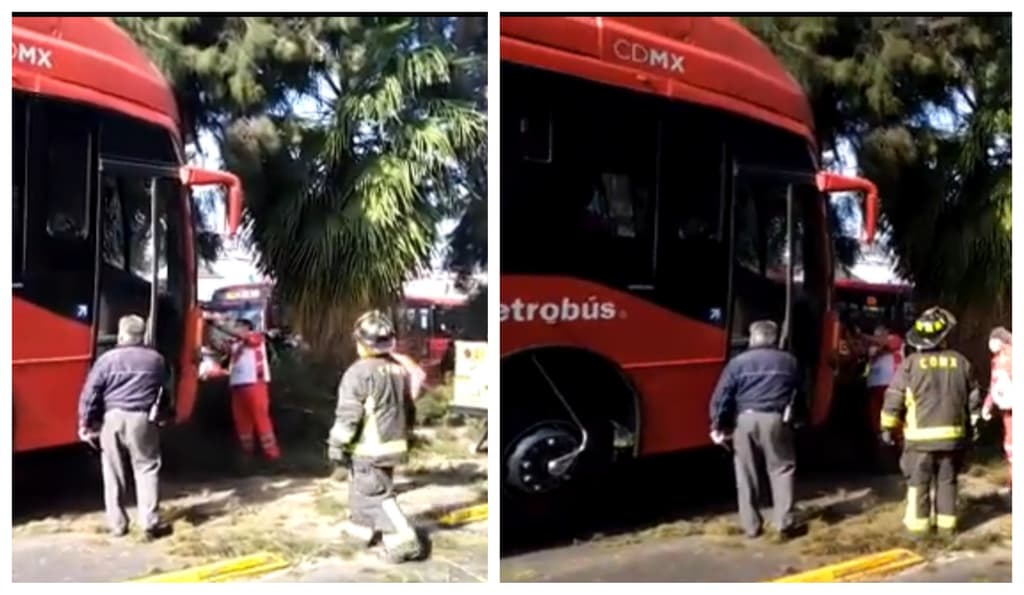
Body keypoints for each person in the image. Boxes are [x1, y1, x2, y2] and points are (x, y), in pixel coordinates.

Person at [327, 310, 424, 563]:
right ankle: (360, 530)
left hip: (369, 447)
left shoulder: (358, 373)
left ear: (360, 343)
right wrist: (408, 436)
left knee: (375, 494)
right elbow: (409, 408)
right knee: (362, 490)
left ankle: (404, 540)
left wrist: (337, 445)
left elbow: (349, 415)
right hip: (393, 444)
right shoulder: (397, 370)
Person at [880, 306, 981, 536]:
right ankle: (947, 529)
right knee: (947, 482)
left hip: (920, 440)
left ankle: (919, 532)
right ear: (943, 337)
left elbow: (894, 398)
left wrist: (887, 427)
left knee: (919, 484)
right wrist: (974, 424)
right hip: (953, 438)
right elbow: (973, 396)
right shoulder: (961, 362)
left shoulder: (910, 364)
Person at [77, 314, 170, 539]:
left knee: (112, 470)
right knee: (146, 468)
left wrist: (86, 423)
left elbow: (91, 394)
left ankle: (117, 524)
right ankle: (149, 522)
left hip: (112, 418)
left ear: (121, 334)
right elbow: (165, 390)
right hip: (142, 419)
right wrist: (165, 414)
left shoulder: (107, 360)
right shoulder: (156, 360)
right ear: (142, 335)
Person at [709, 320, 803, 539]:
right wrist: (799, 419)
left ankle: (751, 526)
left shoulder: (738, 363)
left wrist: (717, 424)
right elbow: (800, 393)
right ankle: (784, 523)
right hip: (776, 419)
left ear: (752, 338)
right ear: (775, 337)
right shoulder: (789, 362)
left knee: (745, 472)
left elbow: (723, 396)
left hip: (745, 420)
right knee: (782, 469)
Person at [983, 326, 1012, 487]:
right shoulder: (996, 360)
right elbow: (993, 385)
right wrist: (988, 405)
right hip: (1006, 410)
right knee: (1010, 447)